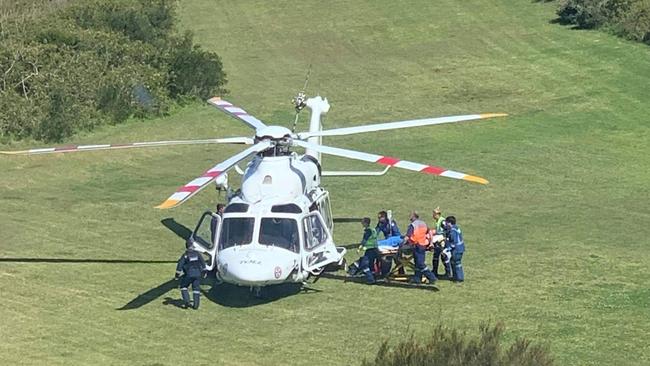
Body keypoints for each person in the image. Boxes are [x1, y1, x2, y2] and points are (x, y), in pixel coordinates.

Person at [404, 211, 437, 284]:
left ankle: (431, 277)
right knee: (417, 263)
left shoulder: (413, 225)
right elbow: (430, 232)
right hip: (423, 245)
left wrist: (402, 244)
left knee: (420, 263)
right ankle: (417, 278)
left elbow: (407, 237)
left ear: (413, 217)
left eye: (410, 216)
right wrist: (431, 243)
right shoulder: (423, 223)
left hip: (416, 245)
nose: (409, 217)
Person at [175, 240, 207, 309]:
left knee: (183, 286)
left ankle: (187, 301)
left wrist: (177, 276)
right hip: (198, 274)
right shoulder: (197, 254)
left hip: (189, 274)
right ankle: (196, 305)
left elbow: (179, 266)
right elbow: (203, 263)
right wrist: (204, 273)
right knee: (196, 289)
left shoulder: (185, 255)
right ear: (192, 246)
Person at [347, 217, 379, 284]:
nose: (362, 224)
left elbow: (365, 240)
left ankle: (370, 279)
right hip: (375, 249)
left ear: (366, 223)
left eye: (363, 222)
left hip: (369, 250)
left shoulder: (368, 231)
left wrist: (360, 248)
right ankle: (374, 276)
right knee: (371, 264)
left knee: (364, 265)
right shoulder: (373, 230)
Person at [431, 207, 451, 278]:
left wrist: (443, 238)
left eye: (434, 214)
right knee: (436, 256)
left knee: (443, 256)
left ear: (437, 214)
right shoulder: (438, 221)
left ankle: (448, 272)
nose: (433, 215)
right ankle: (434, 271)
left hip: (441, 241)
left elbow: (447, 230)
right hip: (438, 240)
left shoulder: (442, 221)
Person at [444, 216, 465, 282]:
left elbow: (454, 242)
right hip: (460, 248)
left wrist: (448, 249)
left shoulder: (453, 231)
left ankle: (459, 278)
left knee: (456, 263)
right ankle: (456, 276)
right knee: (453, 262)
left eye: (447, 223)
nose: (446, 224)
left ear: (450, 223)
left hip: (457, 249)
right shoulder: (456, 227)